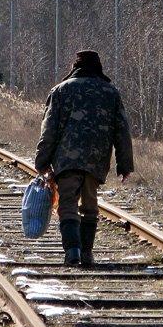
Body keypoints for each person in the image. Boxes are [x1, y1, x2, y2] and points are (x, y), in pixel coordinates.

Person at [35, 50, 134, 268]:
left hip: (66, 159)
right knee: (90, 205)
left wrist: (42, 161)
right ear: (98, 67)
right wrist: (125, 165)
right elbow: (122, 131)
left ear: (75, 66)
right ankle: (87, 253)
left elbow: (48, 130)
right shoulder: (110, 93)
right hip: (96, 160)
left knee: (68, 203)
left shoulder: (61, 91)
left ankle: (72, 251)